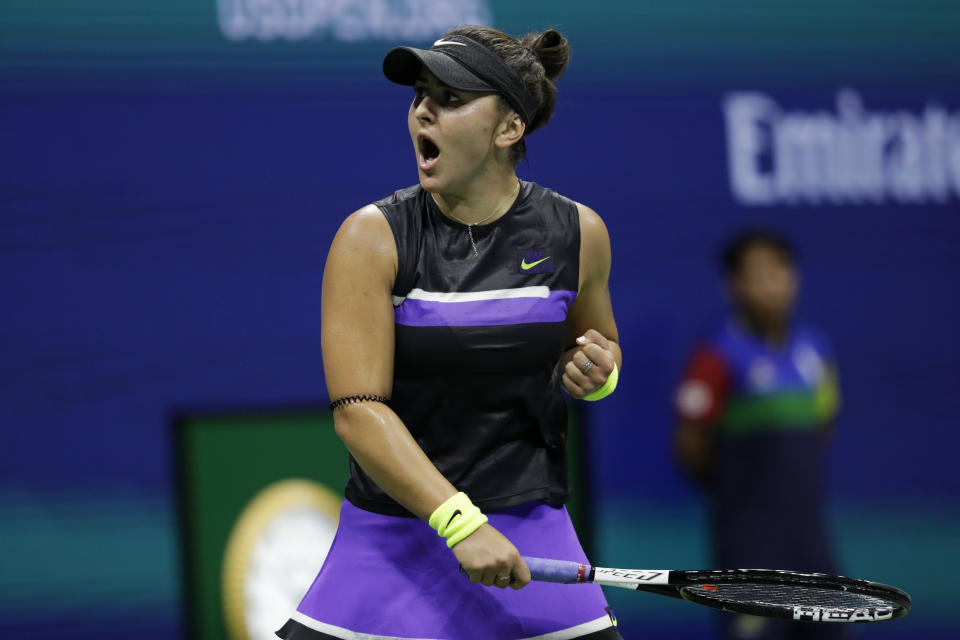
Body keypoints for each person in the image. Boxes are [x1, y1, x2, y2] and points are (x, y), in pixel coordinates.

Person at [276, 25, 624, 640]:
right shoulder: (372, 238)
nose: (424, 112)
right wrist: (460, 524)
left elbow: (597, 348)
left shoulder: (577, 233)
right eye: (420, 95)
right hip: (393, 535)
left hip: (529, 528)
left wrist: (596, 372)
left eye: (452, 98)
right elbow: (358, 411)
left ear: (508, 129)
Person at [673, 230, 844, 640]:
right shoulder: (715, 358)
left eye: (780, 272)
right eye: (758, 275)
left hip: (810, 540)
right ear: (734, 285)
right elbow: (690, 445)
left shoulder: (816, 352)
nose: (772, 285)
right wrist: (741, 493)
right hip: (747, 542)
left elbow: (821, 427)